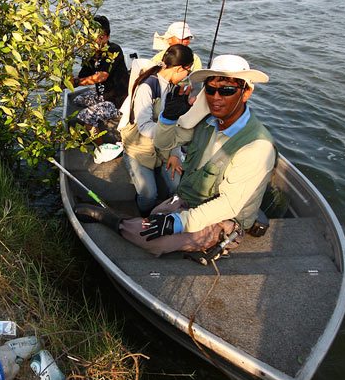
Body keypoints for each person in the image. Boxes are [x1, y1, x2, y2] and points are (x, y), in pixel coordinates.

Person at [77, 55, 276, 258]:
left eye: (226, 91)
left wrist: (177, 222)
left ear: (246, 93)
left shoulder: (257, 146)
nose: (216, 97)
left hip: (222, 218)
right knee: (155, 217)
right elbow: (164, 143)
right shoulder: (206, 122)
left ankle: (112, 221)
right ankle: (139, 222)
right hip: (191, 199)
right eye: (210, 89)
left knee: (150, 237)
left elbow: (228, 205)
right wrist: (168, 118)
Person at [118, 44, 195, 216]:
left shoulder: (171, 87)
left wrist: (175, 153)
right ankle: (145, 216)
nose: (187, 76)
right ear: (178, 69)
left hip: (164, 147)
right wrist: (171, 135)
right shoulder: (148, 87)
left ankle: (169, 214)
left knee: (177, 186)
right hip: (138, 149)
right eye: (187, 71)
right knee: (148, 193)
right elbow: (144, 126)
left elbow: (174, 123)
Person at [71, 15, 129, 140]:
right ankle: (91, 126)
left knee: (86, 115)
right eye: (93, 37)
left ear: (108, 36)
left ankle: (102, 149)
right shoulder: (92, 55)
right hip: (101, 96)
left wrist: (76, 82)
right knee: (77, 100)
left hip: (117, 102)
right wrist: (68, 80)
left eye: (101, 37)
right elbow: (82, 76)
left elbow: (101, 76)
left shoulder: (114, 50)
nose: (97, 41)